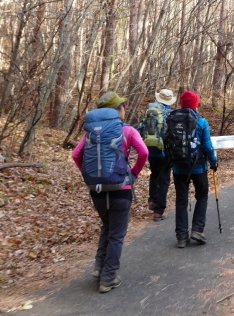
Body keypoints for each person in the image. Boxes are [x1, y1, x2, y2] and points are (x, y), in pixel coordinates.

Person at [72, 91, 148, 293]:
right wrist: (134, 174)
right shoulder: (128, 131)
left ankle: (99, 268)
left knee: (107, 226)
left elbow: (76, 154)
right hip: (120, 188)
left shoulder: (90, 132)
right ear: (118, 109)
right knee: (116, 234)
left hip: (96, 189)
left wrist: (88, 175)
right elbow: (144, 152)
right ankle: (109, 277)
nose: (125, 109)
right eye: (123, 106)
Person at [169, 91, 218, 248]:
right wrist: (213, 161)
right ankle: (197, 229)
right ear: (197, 103)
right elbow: (207, 146)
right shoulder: (201, 122)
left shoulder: (170, 119)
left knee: (181, 200)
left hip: (178, 166)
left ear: (181, 104)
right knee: (202, 196)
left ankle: (181, 236)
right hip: (198, 166)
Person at [139, 89, 176, 222]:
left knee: (154, 175)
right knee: (164, 179)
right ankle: (159, 211)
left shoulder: (149, 112)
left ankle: (152, 201)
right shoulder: (170, 113)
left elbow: (140, 128)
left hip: (150, 149)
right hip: (164, 151)